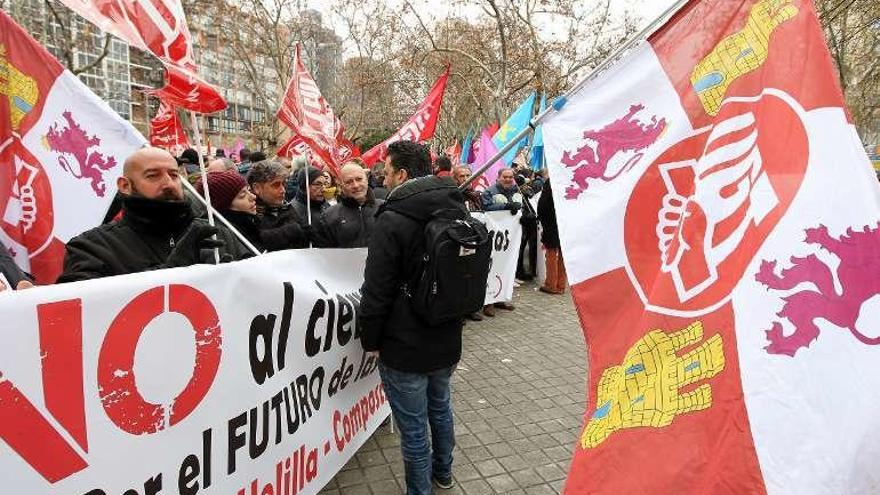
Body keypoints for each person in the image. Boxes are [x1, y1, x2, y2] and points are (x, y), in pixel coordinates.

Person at [360, 140, 464, 494]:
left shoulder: (392, 217)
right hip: (447, 334)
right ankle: (444, 474)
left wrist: (370, 340)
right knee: (441, 408)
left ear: (402, 174)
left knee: (415, 429)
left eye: (386, 171)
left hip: (404, 344)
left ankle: (420, 490)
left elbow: (376, 290)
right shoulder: (456, 205)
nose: (382, 178)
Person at [57, 147, 245, 283]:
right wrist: (173, 269)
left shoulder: (215, 233)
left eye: (173, 175)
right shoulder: (91, 248)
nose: (169, 184)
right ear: (125, 185)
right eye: (153, 175)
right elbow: (80, 315)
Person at [479, 168, 520, 315]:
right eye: (505, 177)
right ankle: (488, 302)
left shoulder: (516, 190)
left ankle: (500, 298)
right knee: (492, 267)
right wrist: (506, 206)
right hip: (495, 238)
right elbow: (486, 206)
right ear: (498, 177)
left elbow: (521, 206)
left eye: (510, 177)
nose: (508, 179)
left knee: (506, 266)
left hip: (509, 239)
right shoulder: (490, 191)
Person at [313, 163, 382, 248]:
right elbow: (326, 255)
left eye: (359, 179)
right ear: (342, 186)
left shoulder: (385, 208)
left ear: (367, 180)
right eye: (349, 182)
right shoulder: (329, 216)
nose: (355, 185)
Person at [247, 160, 309, 251]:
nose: (283, 190)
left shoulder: (286, 207)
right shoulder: (249, 213)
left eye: (283, 184)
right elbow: (256, 242)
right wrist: (290, 231)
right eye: (276, 185)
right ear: (257, 188)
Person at [196, 170, 263, 251]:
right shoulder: (225, 238)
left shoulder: (247, 222)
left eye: (248, 190)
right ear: (223, 206)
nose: (253, 196)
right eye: (242, 195)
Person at [453, 165, 484, 322]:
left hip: (475, 240)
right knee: (459, 275)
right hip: (459, 240)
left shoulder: (477, 196)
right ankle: (458, 311)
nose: (466, 179)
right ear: (455, 178)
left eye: (468, 175)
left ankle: (471, 307)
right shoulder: (452, 196)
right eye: (461, 176)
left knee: (473, 274)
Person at [538, 178, 566, 294]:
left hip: (552, 222)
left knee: (551, 253)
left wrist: (542, 220)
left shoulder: (552, 180)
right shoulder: (569, 178)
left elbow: (543, 205)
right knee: (563, 254)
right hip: (567, 222)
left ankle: (551, 284)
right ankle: (561, 285)